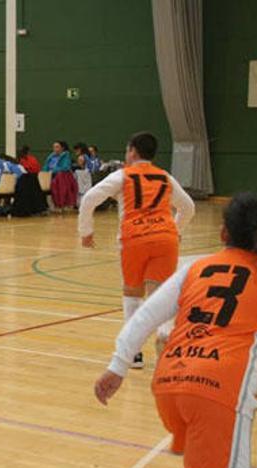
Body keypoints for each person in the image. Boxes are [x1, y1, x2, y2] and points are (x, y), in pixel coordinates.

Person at [94, 192, 257, 468]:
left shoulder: (194, 268)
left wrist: (118, 366)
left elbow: (144, 316)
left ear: (224, 233)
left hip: (170, 382)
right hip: (219, 391)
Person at [78, 132, 195, 368]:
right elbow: (189, 207)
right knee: (160, 294)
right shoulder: (165, 177)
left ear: (132, 151)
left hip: (135, 238)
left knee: (132, 294)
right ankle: (164, 331)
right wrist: (174, 229)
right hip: (165, 238)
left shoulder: (123, 176)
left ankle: (134, 353)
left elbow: (89, 199)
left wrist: (86, 231)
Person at [43, 141, 76, 210]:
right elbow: (45, 167)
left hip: (61, 176)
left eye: (57, 147)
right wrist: (45, 173)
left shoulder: (66, 156)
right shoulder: (51, 157)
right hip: (49, 175)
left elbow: (65, 167)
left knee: (58, 178)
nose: (55, 149)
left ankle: (61, 204)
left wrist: (53, 171)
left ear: (62, 148)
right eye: (54, 147)